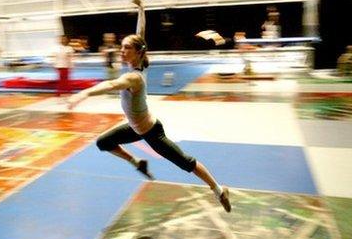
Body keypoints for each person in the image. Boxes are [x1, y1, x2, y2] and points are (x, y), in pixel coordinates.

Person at [67, 34, 231, 212]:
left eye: (127, 47)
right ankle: (138, 163)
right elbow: (141, 32)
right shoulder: (138, 65)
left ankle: (219, 190)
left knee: (186, 162)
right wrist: (140, 8)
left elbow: (112, 84)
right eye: (122, 47)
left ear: (138, 52)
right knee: (103, 142)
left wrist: (84, 94)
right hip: (135, 128)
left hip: (152, 131)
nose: (121, 51)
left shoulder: (134, 78)